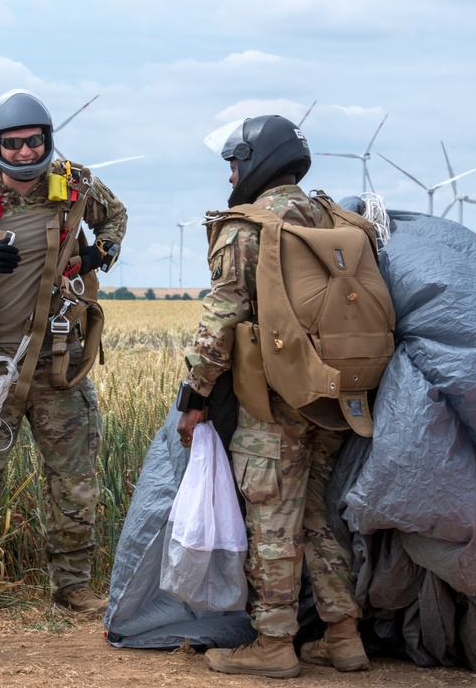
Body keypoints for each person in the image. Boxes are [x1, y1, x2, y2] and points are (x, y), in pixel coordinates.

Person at [0, 89, 127, 615]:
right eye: (13, 144)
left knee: (75, 481)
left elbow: (115, 216)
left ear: (47, 140)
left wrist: (99, 253)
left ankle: (73, 587)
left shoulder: (77, 187)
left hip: (59, 362)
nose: (25, 152)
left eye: (34, 141)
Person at [176, 115, 369, 678]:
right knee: (317, 518)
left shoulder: (249, 227)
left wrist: (194, 392)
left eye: (234, 161)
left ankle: (274, 644)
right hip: (334, 397)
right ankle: (343, 636)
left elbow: (223, 314)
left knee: (273, 520)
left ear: (256, 159)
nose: (231, 172)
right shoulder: (335, 218)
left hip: (275, 401)